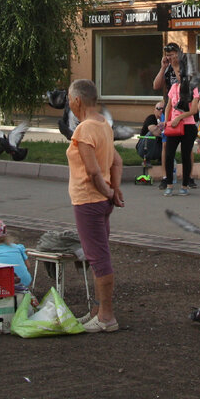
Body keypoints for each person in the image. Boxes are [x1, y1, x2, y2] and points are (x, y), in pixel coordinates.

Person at [65, 78, 124, 333]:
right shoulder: (104, 125)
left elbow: (92, 171)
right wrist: (115, 190)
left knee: (98, 258)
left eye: (69, 99)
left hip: (88, 200)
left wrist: (109, 190)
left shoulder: (84, 129)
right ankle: (99, 311)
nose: (69, 104)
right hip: (101, 201)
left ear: (77, 100)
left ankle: (107, 317)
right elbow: (116, 161)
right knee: (98, 254)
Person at [161, 55, 200, 195]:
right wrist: (167, 121)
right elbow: (168, 106)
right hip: (173, 126)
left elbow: (194, 110)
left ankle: (185, 185)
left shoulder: (192, 88)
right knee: (169, 154)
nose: (178, 75)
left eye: (180, 73)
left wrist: (180, 118)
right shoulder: (174, 87)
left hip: (188, 125)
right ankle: (169, 185)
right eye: (177, 73)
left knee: (185, 155)